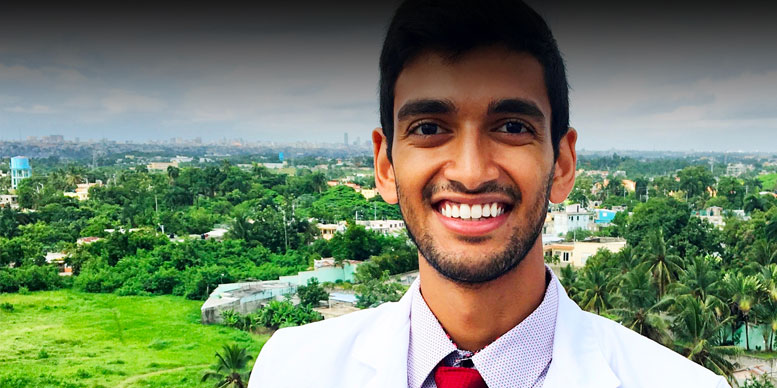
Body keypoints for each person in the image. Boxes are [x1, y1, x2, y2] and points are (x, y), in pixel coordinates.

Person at [248, 1, 731, 387]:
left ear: (563, 165)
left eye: (512, 127)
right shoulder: (292, 370)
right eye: (429, 127)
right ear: (385, 165)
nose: (472, 172)